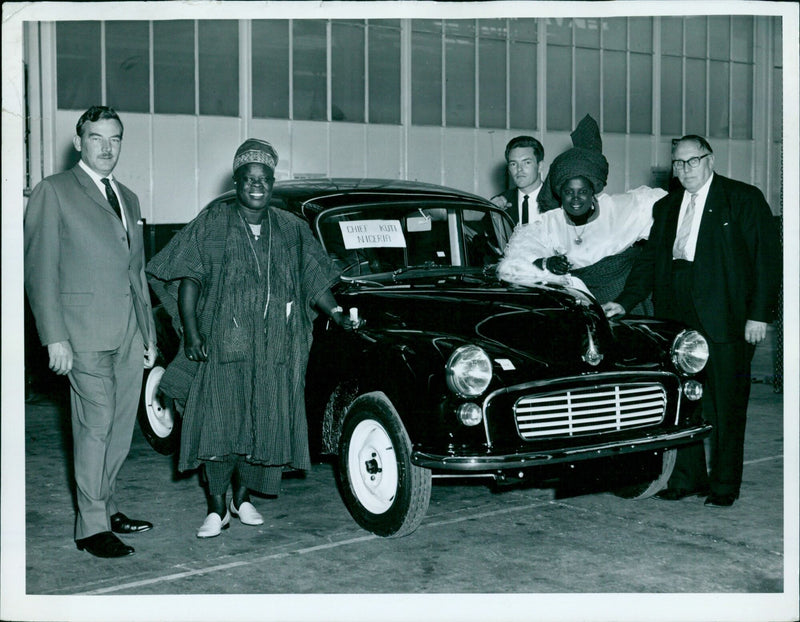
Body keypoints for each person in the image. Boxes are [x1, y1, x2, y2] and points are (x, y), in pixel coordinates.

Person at [146, 139, 360, 538]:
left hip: (274, 351)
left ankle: (242, 499)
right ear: (238, 181)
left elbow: (314, 279)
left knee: (262, 426)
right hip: (222, 348)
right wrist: (192, 333)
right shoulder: (213, 223)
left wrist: (336, 314)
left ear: (273, 183)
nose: (256, 186)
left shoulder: (292, 229)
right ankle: (215, 509)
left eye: (264, 179)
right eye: (248, 179)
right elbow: (189, 278)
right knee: (220, 427)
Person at [602, 135, 781, 508]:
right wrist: (623, 302)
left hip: (726, 315)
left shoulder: (743, 198)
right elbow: (649, 262)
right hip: (677, 313)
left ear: (709, 160)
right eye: (678, 164)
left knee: (727, 403)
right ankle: (687, 478)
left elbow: (767, 261)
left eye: (692, 161)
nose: (685, 170)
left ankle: (724, 484)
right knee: (684, 399)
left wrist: (758, 316)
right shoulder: (666, 207)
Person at [24, 105, 157, 558]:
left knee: (120, 430)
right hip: (80, 334)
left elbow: (136, 272)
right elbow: (40, 269)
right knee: (95, 426)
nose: (106, 147)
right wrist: (53, 335)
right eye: (96, 137)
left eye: (115, 138)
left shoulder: (130, 198)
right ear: (79, 142)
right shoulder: (53, 191)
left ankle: (107, 505)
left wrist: (149, 334)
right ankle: (91, 527)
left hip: (128, 334)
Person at [497, 115, 666, 310]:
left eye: (583, 192)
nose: (575, 199)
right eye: (568, 193)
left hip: (626, 304)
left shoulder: (623, 208)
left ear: (593, 192)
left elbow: (670, 212)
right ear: (560, 195)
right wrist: (545, 264)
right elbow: (516, 260)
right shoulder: (550, 222)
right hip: (582, 308)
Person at [490, 136, 554, 226]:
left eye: (527, 162)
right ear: (508, 169)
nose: (519, 169)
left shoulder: (557, 201)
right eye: (513, 164)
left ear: (540, 166)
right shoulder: (500, 203)